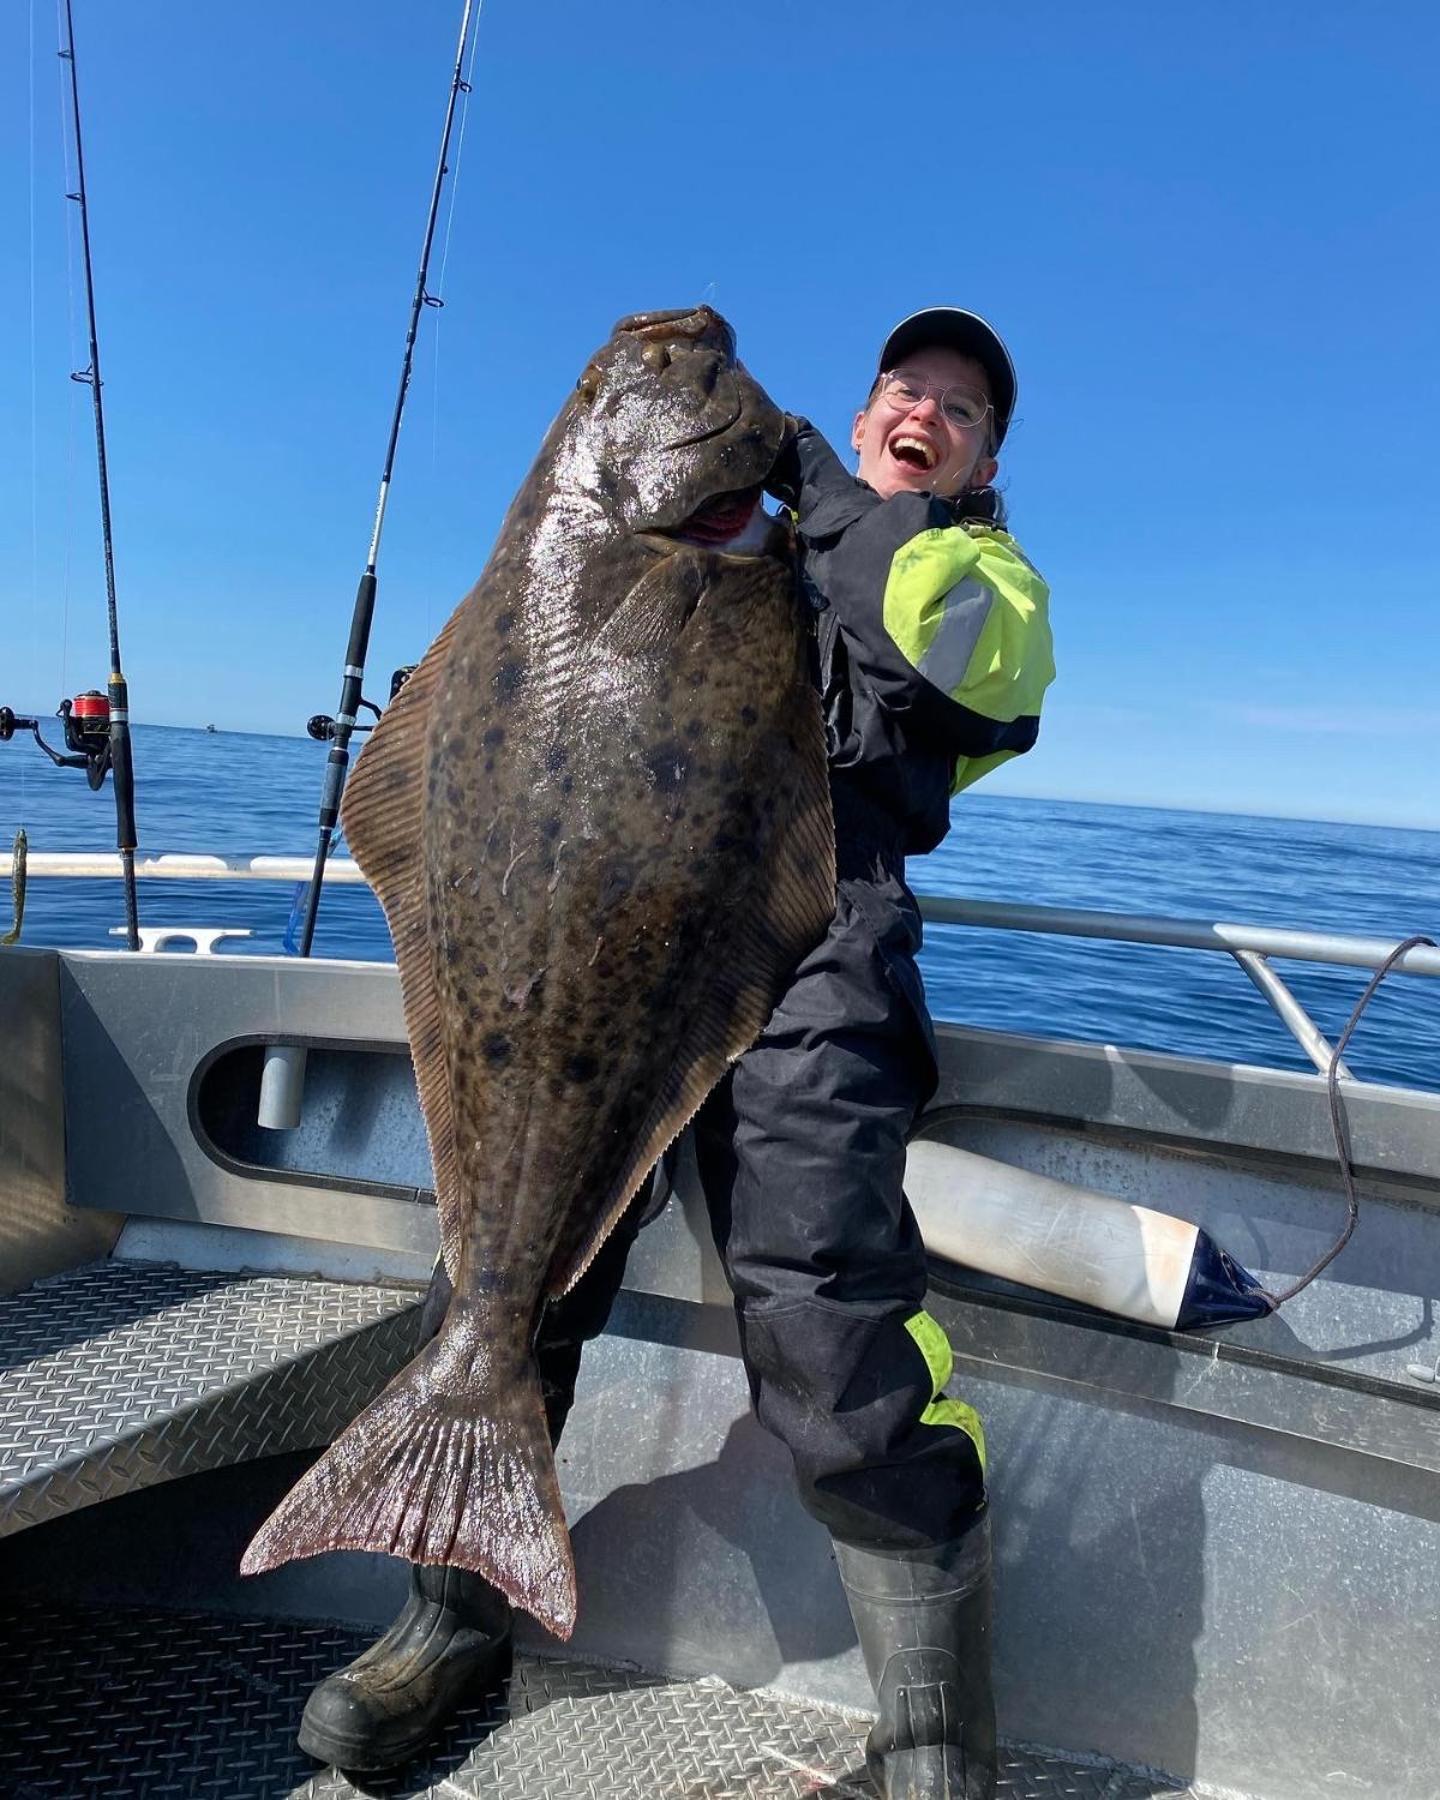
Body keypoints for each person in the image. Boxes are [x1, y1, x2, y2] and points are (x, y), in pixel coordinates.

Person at [296, 307, 1054, 1800]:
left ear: (979, 460)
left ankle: (932, 1737)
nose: (925, 409)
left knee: (839, 1327)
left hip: (819, 979)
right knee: (508, 1280)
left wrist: (817, 501)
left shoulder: (973, 577)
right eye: (904, 386)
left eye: (959, 408)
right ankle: (447, 1618)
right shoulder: (715, 545)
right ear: (853, 413)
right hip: (592, 950)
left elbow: (943, 664)